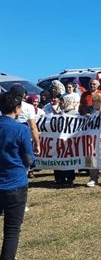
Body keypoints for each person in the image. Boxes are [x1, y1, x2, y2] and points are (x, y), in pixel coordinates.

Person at [0, 92, 35, 260]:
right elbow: (28, 157)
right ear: (17, 108)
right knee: (12, 230)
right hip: (15, 183)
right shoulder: (21, 129)